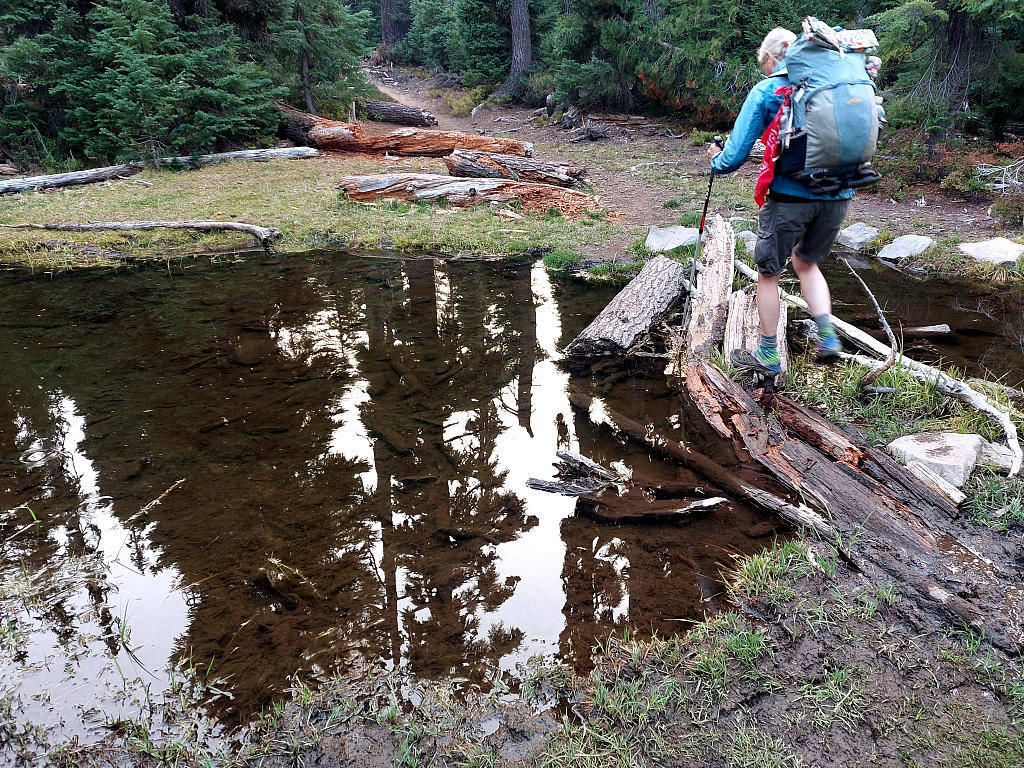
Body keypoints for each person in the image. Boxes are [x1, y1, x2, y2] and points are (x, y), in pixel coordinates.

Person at [707, 27, 849, 377]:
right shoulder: (837, 84)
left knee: (769, 273)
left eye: (764, 63)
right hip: (838, 196)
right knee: (806, 263)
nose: (765, 70)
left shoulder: (769, 91)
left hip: (789, 198)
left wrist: (715, 159)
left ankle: (768, 353)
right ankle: (828, 336)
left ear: (771, 58)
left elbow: (733, 157)